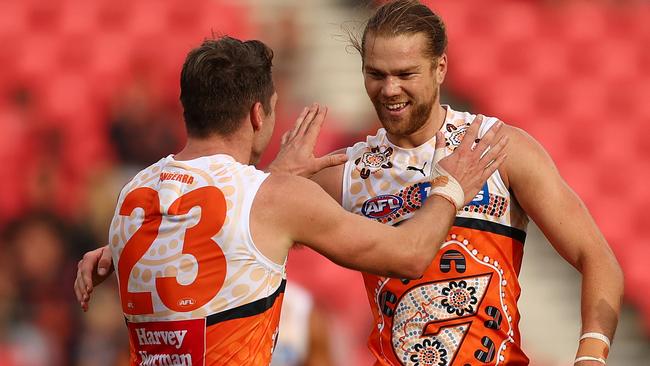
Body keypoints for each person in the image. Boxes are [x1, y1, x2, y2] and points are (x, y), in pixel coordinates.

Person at [76, 1, 624, 364]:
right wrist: (126, 245)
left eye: (406, 74)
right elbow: (231, 216)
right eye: (375, 74)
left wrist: (591, 355)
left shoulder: (499, 150)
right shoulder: (349, 170)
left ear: (440, 69)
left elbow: (597, 257)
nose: (389, 90)